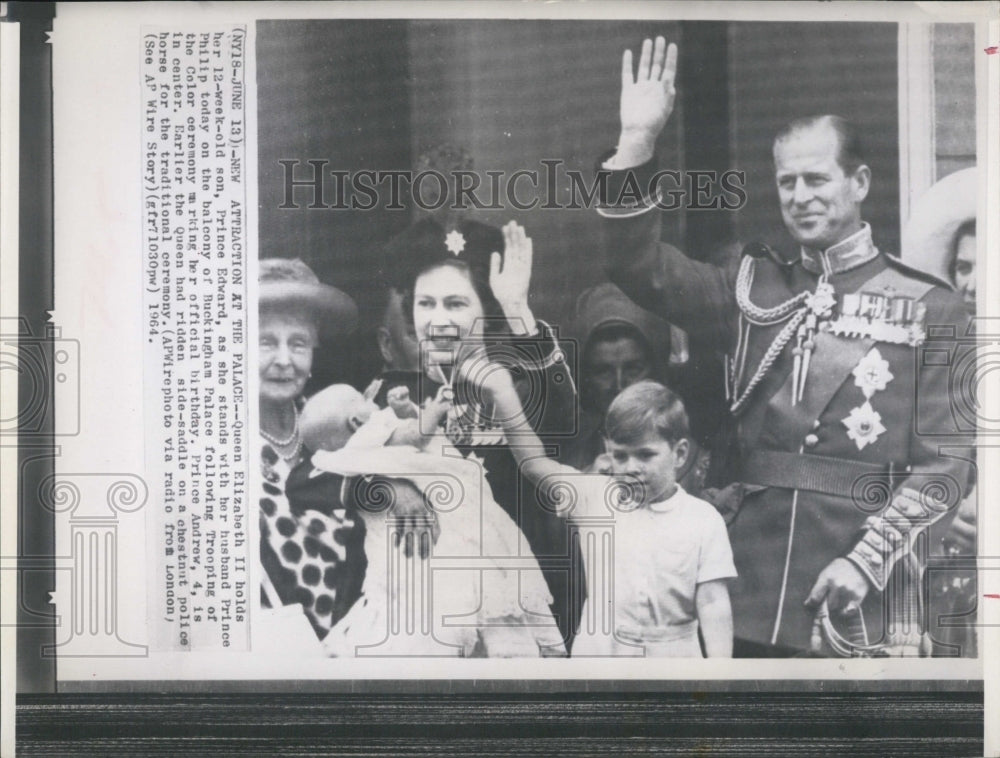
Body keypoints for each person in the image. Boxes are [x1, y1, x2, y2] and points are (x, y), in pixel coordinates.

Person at [594, 37, 973, 656]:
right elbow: (638, 267)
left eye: (817, 179)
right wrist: (636, 145)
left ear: (859, 183)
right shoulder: (749, 287)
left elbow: (947, 465)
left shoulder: (933, 305)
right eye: (787, 181)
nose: (800, 196)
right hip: (748, 589)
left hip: (861, 590)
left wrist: (866, 562)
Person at [287, 217, 580, 650]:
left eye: (456, 304)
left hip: (501, 614)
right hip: (403, 624)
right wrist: (387, 483)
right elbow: (304, 482)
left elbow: (563, 423)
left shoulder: (513, 386)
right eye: (426, 304)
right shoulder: (383, 398)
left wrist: (519, 310)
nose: (438, 319)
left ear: (487, 310)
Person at [464, 353, 737, 657]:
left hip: (674, 660)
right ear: (608, 449)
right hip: (599, 655)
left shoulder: (702, 520)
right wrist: (504, 395)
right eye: (620, 455)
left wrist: (719, 675)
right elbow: (534, 464)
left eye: (646, 455)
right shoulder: (594, 497)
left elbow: (713, 602)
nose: (631, 467)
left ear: (680, 453)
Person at [297, 382, 564, 657]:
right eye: (363, 399)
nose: (373, 401)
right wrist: (434, 410)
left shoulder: (350, 455)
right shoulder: (370, 437)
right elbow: (417, 433)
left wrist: (406, 409)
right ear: (355, 422)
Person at [257, 258, 368, 640]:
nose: (284, 360)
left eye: (298, 343)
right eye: (266, 342)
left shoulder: (335, 428)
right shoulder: (212, 451)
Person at [902, 168, 978, 656]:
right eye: (963, 267)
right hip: (950, 564)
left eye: (985, 266)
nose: (969, 284)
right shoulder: (940, 360)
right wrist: (943, 512)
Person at [566, 282, 716, 495]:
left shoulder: (699, 466)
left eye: (633, 368)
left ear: (656, 370)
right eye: (603, 371)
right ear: (587, 377)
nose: (619, 385)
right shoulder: (570, 458)